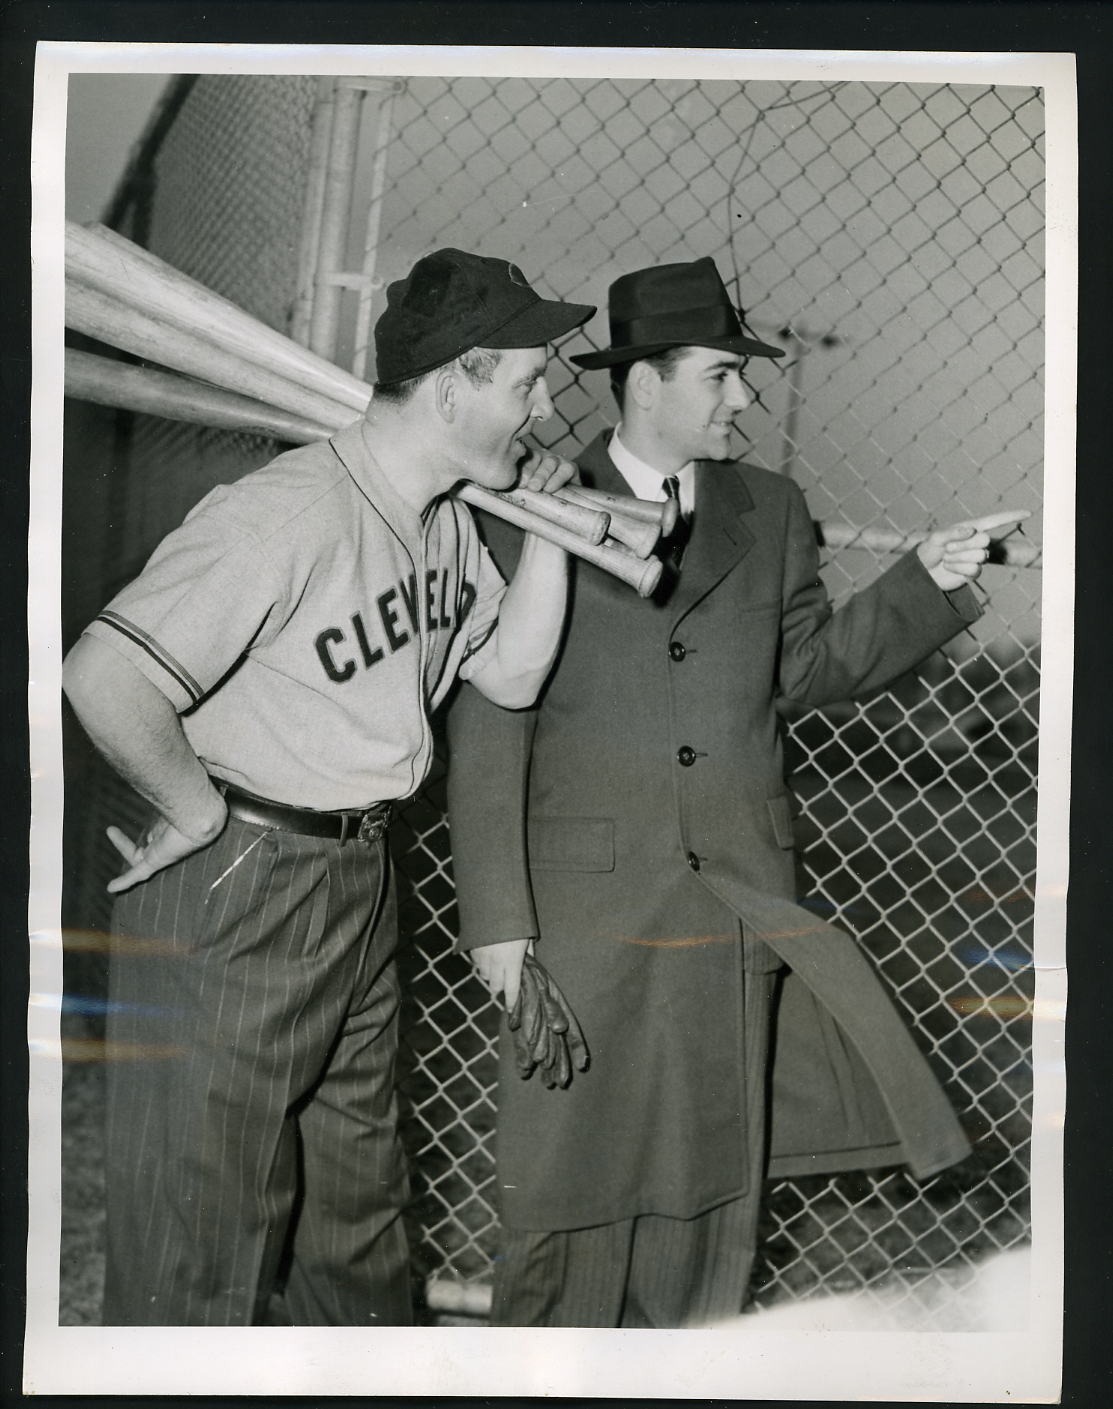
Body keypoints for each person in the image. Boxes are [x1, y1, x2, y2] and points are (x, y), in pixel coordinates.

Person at [446, 256, 1019, 1328]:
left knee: (712, 1191)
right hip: (584, 915)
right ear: (645, 381)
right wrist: (498, 921)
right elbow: (491, 720)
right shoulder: (531, 506)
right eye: (720, 374)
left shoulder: (772, 509)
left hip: (731, 903)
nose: (743, 398)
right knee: (566, 1191)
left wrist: (922, 583)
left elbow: (803, 668)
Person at [61, 247, 594, 1327]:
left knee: (356, 1222)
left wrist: (552, 531)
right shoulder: (289, 512)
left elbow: (513, 671)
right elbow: (104, 674)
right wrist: (198, 808)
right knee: (200, 1237)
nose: (542, 409)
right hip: (243, 876)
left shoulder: (443, 518)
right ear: (455, 386)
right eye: (528, 383)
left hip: (358, 873)